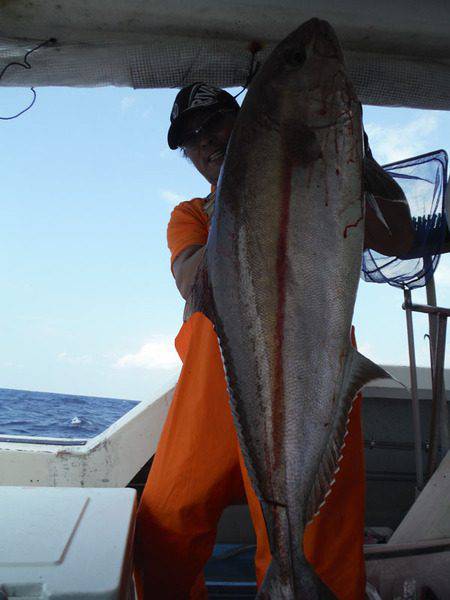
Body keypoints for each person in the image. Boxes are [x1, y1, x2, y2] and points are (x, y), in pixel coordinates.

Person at [133, 83, 414, 600]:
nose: (206, 143)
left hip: (312, 375)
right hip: (211, 389)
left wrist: (361, 163)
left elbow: (399, 237)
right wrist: (244, 193)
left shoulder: (318, 187)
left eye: (215, 124)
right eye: (191, 140)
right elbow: (196, 283)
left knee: (320, 543)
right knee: (165, 525)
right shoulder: (190, 215)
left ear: (246, 125)